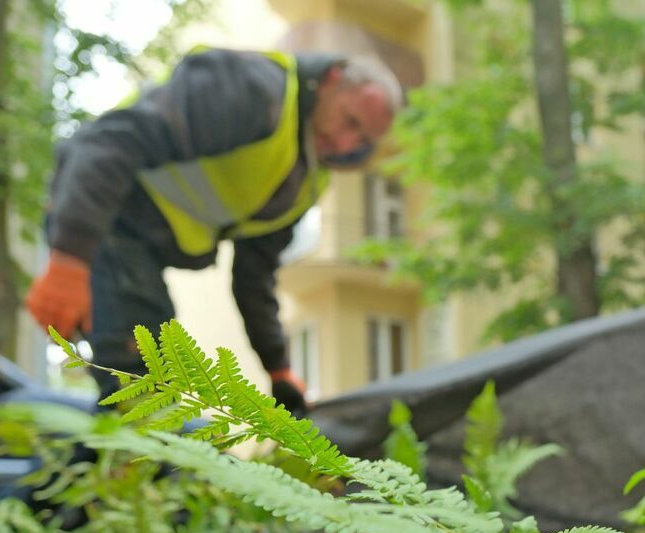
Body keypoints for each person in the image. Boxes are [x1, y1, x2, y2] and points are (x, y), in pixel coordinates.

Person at [25, 48, 403, 416]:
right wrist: (69, 263)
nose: (345, 143)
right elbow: (109, 142)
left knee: (145, 399)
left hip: (135, 249)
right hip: (101, 217)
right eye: (350, 121)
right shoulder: (254, 90)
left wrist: (278, 367)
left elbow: (254, 276)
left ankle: (98, 472)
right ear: (332, 79)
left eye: (363, 141)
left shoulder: (304, 182)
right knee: (145, 390)